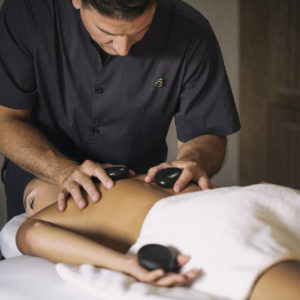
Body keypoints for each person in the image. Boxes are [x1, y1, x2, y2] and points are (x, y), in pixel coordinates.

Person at [0, 0, 240, 219]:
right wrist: (62, 172)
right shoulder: (28, 13)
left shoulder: (191, 31)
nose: (123, 48)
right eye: (107, 33)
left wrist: (191, 161)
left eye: (139, 32)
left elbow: (205, 131)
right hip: (43, 177)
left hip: (136, 187)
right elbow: (5, 120)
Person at [16, 175, 300, 299]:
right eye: (30, 206)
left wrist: (126, 265)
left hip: (210, 219)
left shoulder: (77, 201)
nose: (32, 211)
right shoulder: (139, 178)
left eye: (31, 200)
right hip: (262, 197)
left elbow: (31, 234)